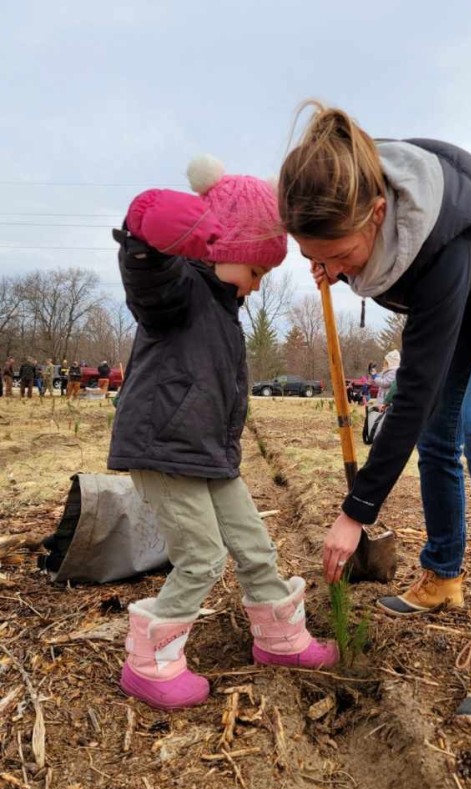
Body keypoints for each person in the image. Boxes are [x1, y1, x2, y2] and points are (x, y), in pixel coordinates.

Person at [278, 103, 471, 724]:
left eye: (337, 256)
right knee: (439, 439)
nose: (330, 273)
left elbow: (410, 392)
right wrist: (332, 257)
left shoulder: (442, 232)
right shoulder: (349, 187)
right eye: (318, 260)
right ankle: (442, 574)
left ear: (380, 215)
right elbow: (419, 404)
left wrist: (355, 512)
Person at [108, 155, 337, 711]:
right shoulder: (179, 290)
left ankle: (280, 639)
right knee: (203, 557)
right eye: (257, 271)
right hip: (165, 452)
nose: (258, 287)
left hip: (209, 455)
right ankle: (150, 661)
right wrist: (148, 232)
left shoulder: (224, 310)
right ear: (226, 251)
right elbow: (147, 271)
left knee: (255, 546)